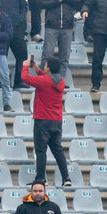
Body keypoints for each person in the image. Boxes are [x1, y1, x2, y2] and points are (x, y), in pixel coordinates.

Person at [22, 57, 70, 186]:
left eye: (45, 65)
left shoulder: (45, 81)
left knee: (41, 150)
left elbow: (25, 78)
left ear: (48, 67)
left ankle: (41, 178)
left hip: (42, 119)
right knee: (57, 149)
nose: (44, 66)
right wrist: (38, 70)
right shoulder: (60, 80)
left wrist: (25, 66)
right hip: (56, 120)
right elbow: (48, 80)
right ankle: (66, 178)